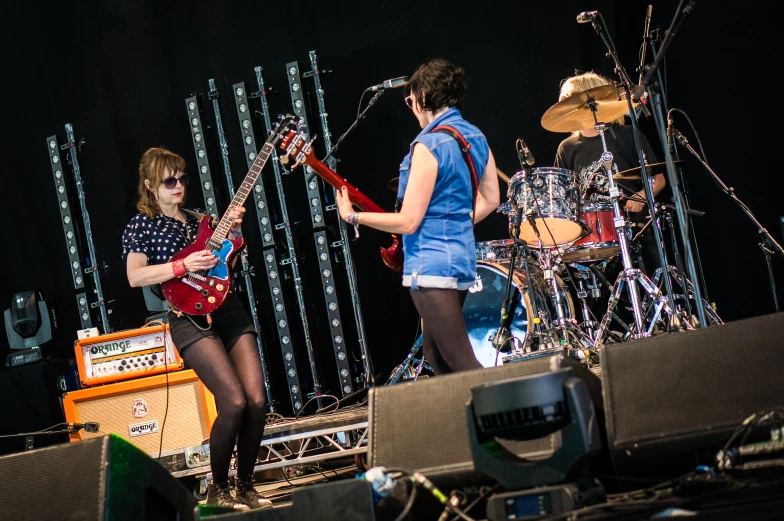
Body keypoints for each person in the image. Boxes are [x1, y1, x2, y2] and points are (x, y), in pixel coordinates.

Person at [122, 147, 270, 511]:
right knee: (233, 402)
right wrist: (182, 266)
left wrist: (234, 233)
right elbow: (135, 276)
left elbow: (226, 262)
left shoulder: (201, 219)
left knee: (257, 401)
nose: (178, 186)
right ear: (149, 185)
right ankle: (218, 489)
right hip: (186, 318)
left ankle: (246, 485)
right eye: (169, 181)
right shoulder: (141, 225)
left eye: (182, 178)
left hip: (228, 310)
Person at [336, 59, 500, 375]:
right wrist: (455, 224)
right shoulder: (475, 136)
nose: (410, 107)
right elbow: (491, 198)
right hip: (459, 256)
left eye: (410, 100)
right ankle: (462, 421)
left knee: (461, 361)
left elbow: (409, 221)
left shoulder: (428, 145)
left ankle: (507, 420)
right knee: (435, 356)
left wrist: (354, 217)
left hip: (431, 263)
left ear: (423, 97)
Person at [554, 71, 666, 274]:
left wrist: (640, 196)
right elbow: (565, 197)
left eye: (571, 97)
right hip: (592, 235)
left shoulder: (627, 136)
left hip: (636, 228)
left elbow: (658, 179)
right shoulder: (567, 147)